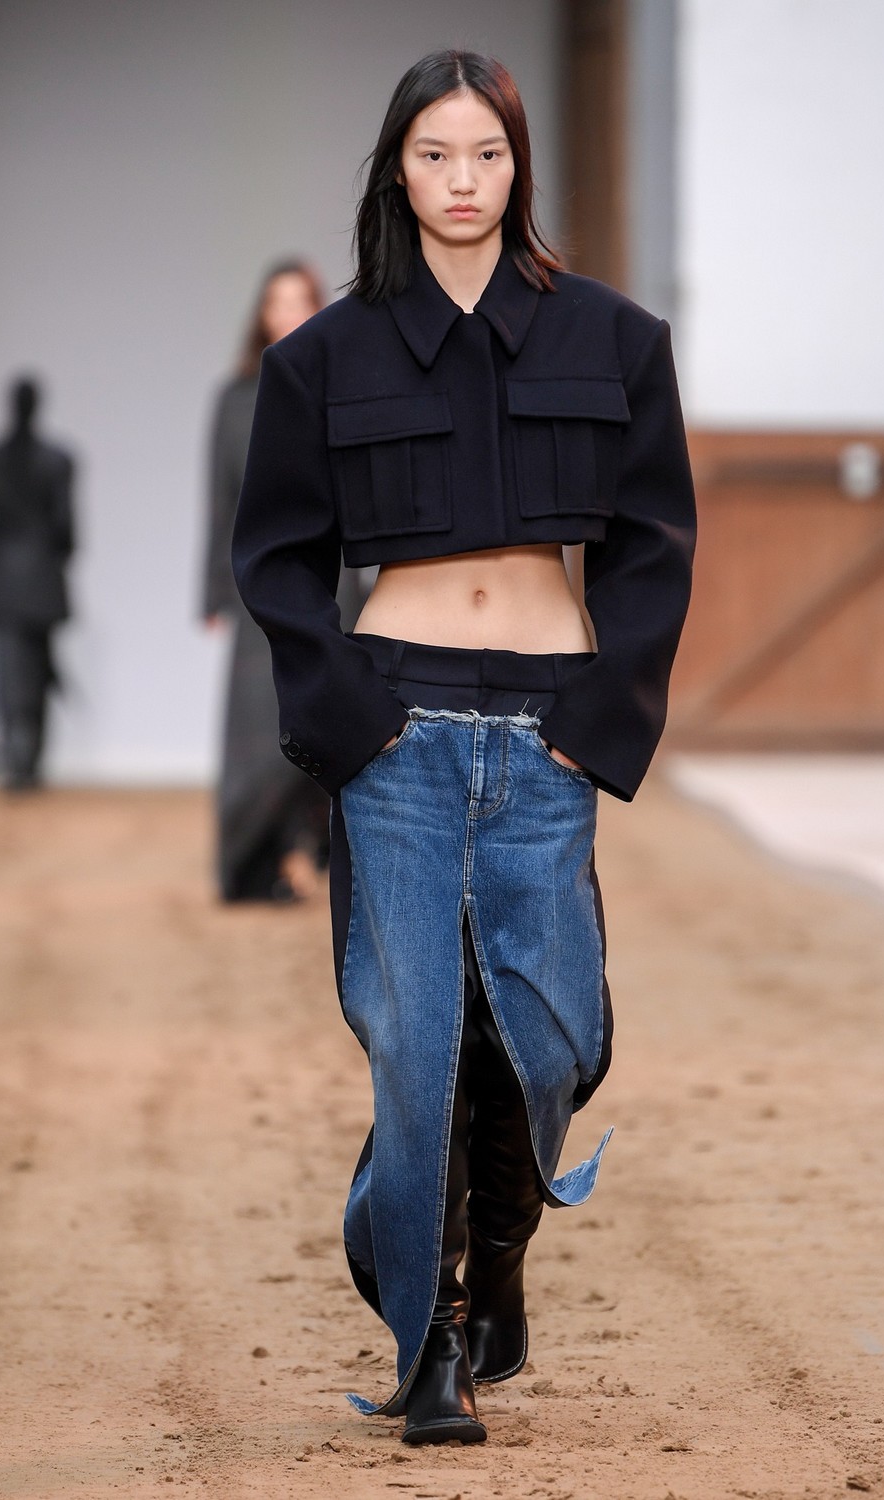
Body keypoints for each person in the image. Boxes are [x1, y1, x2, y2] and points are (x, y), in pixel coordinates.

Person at [232, 51, 696, 1444]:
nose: (461, 181)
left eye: (485, 154)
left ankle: (495, 1260)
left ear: (517, 167)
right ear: (398, 169)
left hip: (545, 735)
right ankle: (429, 1342)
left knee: (546, 1044)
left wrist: (596, 728)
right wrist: (353, 727)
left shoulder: (613, 339)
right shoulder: (323, 359)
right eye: (434, 155)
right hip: (402, 734)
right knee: (418, 1042)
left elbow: (655, 546)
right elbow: (276, 559)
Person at [203, 260, 332, 901]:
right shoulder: (234, 399)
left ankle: (316, 848)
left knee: (325, 716)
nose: (288, 313)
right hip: (256, 582)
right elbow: (220, 501)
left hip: (328, 576)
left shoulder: (338, 383)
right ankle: (260, 863)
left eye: (300, 300)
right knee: (259, 732)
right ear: (262, 313)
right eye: (277, 302)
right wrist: (212, 592)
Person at [0, 377, 74, 791]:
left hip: (5, 575)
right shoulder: (56, 461)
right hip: (41, 574)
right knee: (34, 668)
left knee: (11, 670)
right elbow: (67, 528)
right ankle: (27, 757)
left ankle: (18, 754)